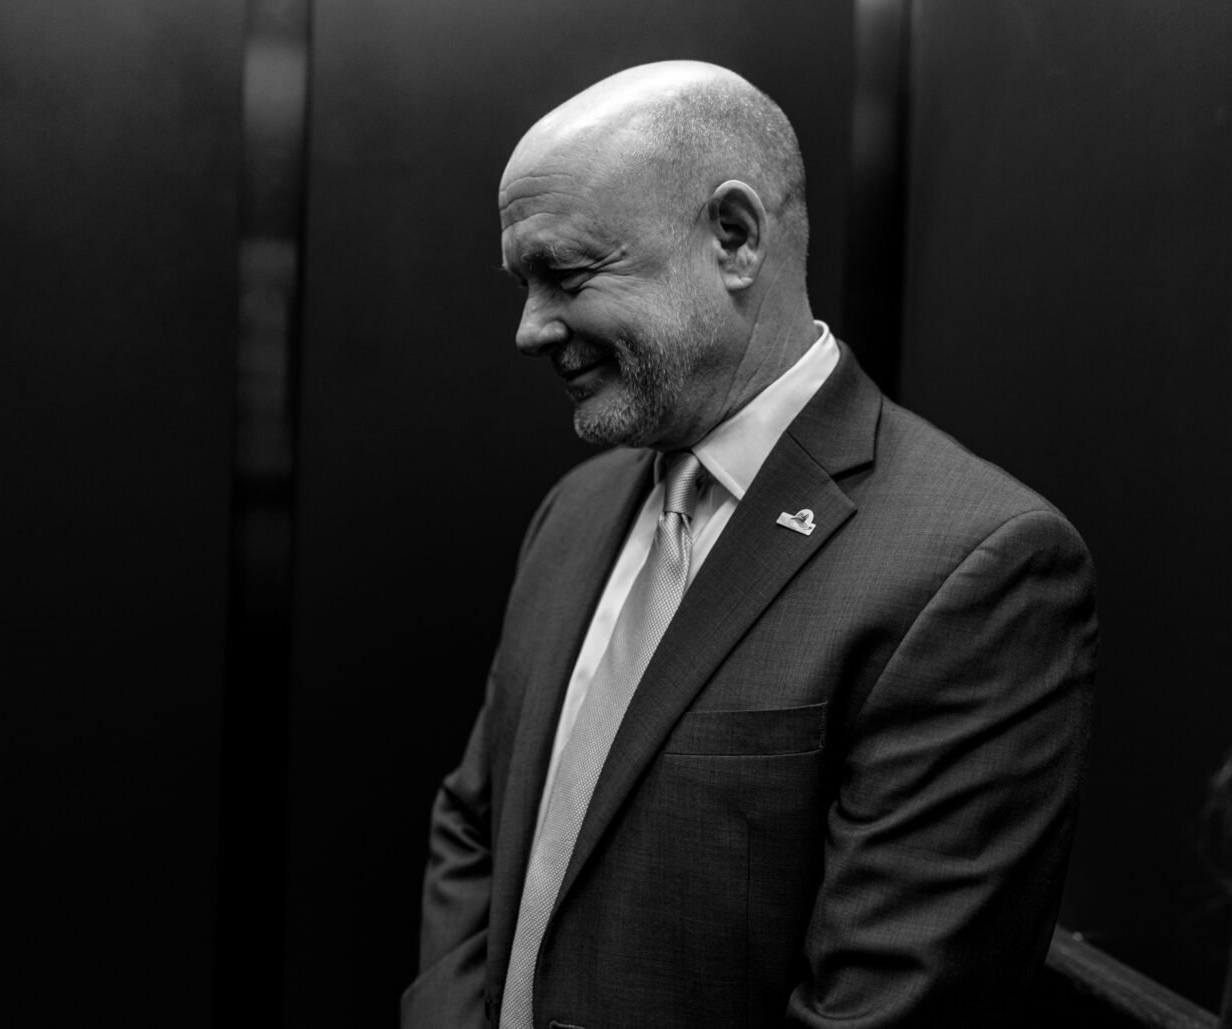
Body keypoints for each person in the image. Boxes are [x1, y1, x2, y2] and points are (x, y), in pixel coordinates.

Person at [402, 61, 1098, 1028]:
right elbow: (477, 824)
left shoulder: (974, 565)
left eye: (565, 274)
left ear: (734, 238)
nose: (529, 329)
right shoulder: (575, 511)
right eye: (522, 283)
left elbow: (889, 1006)